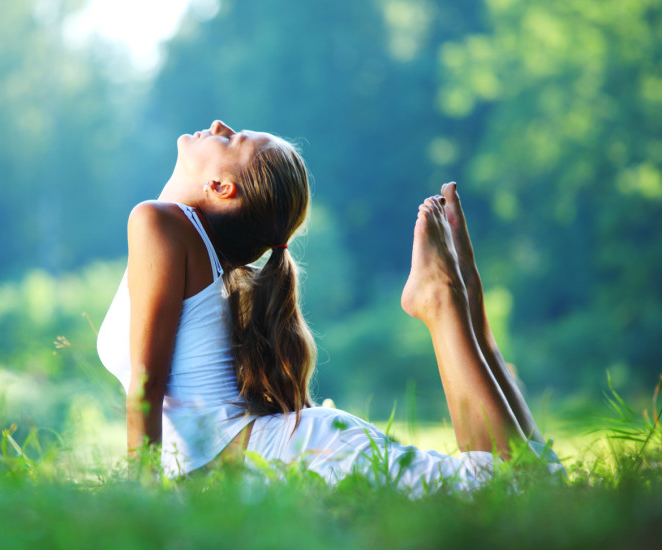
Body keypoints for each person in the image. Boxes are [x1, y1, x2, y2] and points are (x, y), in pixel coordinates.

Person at [97, 120, 559, 493]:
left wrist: (145, 493)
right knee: (540, 485)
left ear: (221, 186)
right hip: (292, 451)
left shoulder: (157, 222)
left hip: (293, 454)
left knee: (513, 488)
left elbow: (146, 381)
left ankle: (444, 300)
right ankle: (467, 307)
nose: (218, 125)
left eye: (231, 139)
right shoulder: (183, 240)